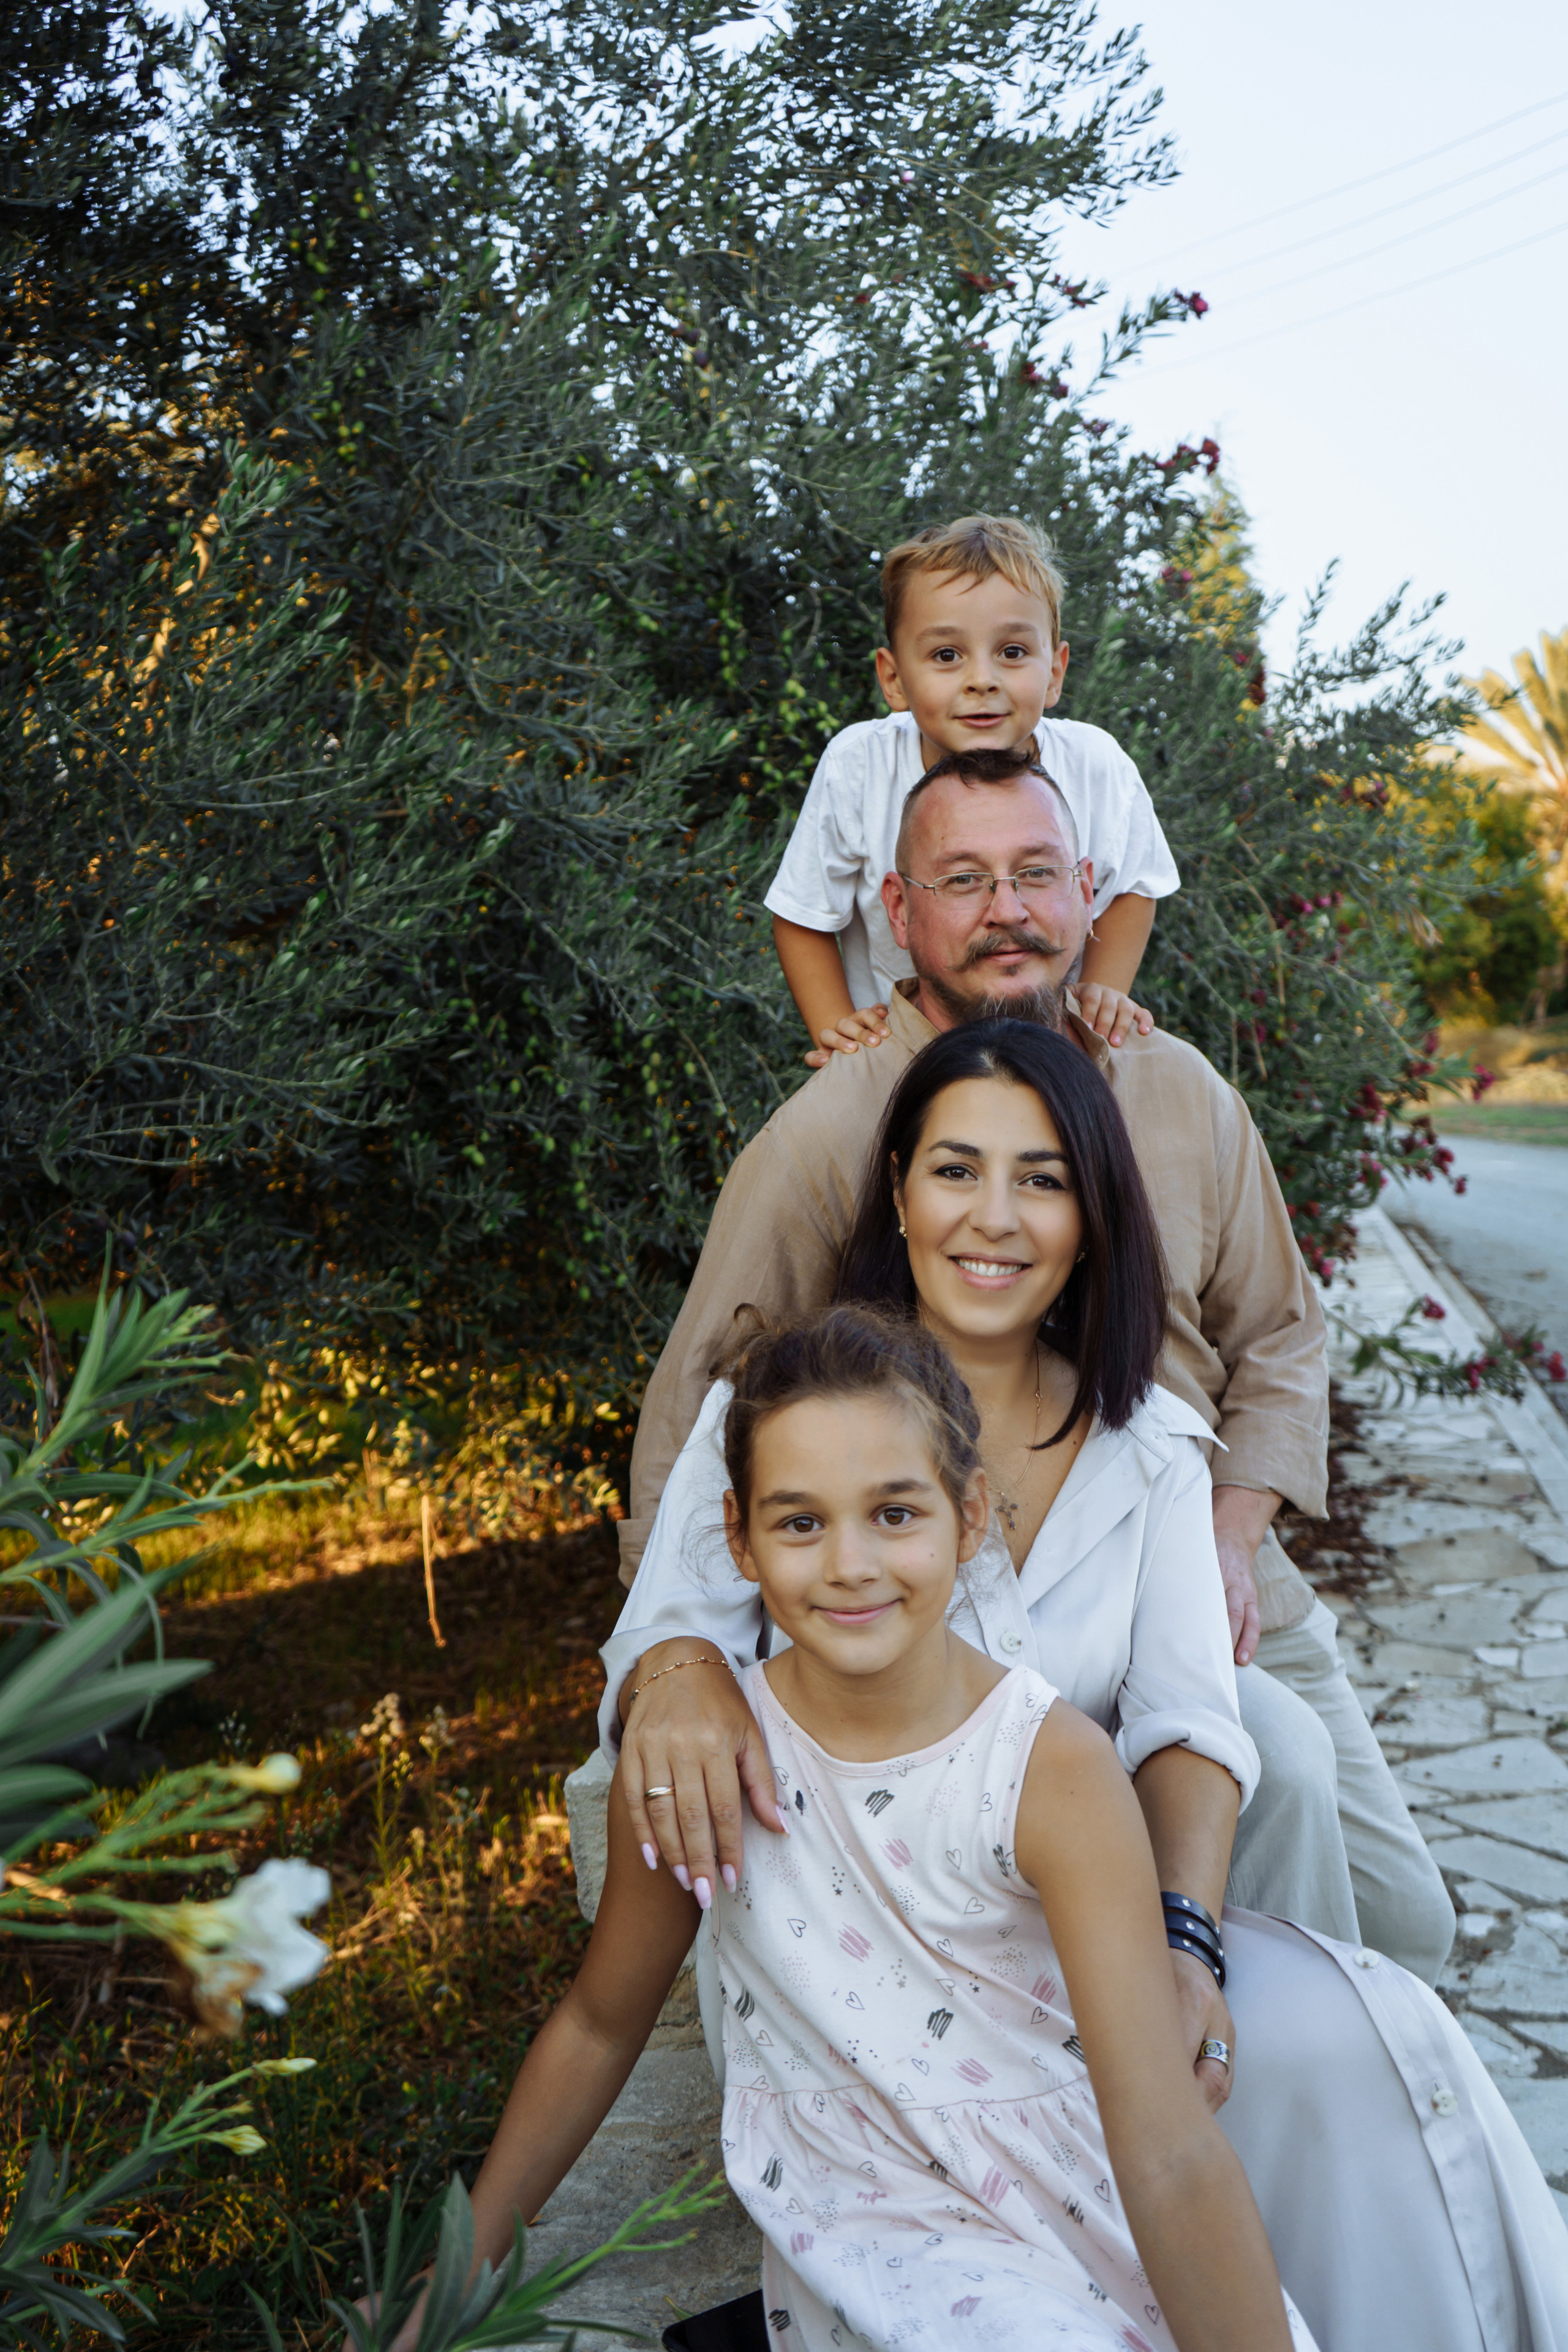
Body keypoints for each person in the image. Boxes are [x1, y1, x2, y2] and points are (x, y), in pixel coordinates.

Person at [370, 1310, 1567, 2352]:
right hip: (882, 2233)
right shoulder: (714, 1758)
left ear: (968, 1515)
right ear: (735, 1540)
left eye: (893, 1513)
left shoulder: (1045, 1765)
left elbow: (1159, 2144)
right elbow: (594, 2023)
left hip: (1085, 2195)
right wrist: (448, 2285)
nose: (849, 1566)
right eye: (798, 1524)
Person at [619, 745, 1454, 1980]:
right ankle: (1206, 2095)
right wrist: (675, 1662)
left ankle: (1268, 2085)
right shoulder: (831, 1131)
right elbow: (704, 1410)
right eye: (962, 880)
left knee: (1405, 1929)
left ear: (1087, 891)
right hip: (966, 1609)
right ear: (896, 914)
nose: (1006, 908)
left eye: (1035, 875)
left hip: (1201, 1563)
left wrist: (1225, 1532)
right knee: (1268, 1812)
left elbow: (1279, 1336)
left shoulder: (1178, 1092)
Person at [765, 513, 1179, 1065]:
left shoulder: (1095, 764)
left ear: (1055, 672)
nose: (981, 679)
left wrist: (1101, 993)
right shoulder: (859, 764)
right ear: (893, 678)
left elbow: (1135, 883)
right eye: (946, 655)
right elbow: (802, 912)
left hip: (1052, 1046)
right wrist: (837, 1031)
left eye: (1012, 652)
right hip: (906, 1054)